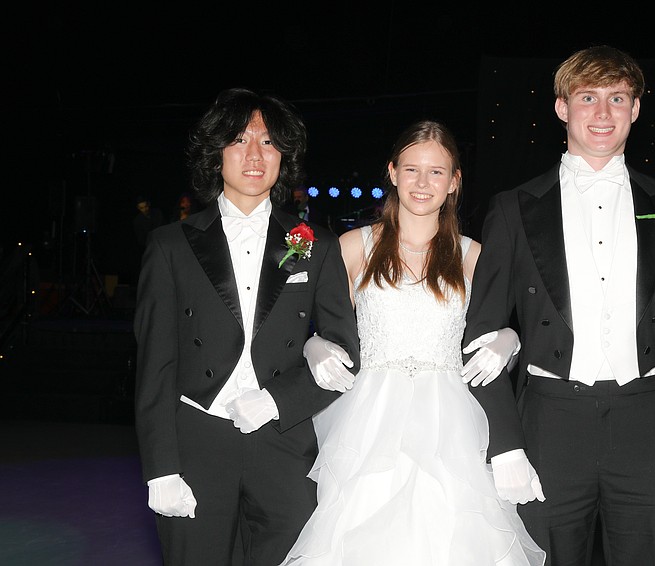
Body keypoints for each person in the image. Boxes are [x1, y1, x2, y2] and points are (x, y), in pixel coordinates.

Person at [462, 45, 655, 566]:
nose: (603, 113)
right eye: (587, 98)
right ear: (562, 108)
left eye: (617, 98)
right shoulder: (513, 208)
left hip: (649, 427)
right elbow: (480, 334)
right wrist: (504, 444)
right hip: (549, 426)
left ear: (635, 109)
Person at [281, 120, 546, 565]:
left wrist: (510, 338)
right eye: (412, 169)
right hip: (369, 417)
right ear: (392, 172)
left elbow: (498, 330)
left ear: (454, 181)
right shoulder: (353, 246)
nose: (423, 183)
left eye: (436, 172)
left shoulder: (473, 255)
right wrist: (313, 347)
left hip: (451, 418)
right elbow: (314, 325)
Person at [133, 87, 360, 566]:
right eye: (239, 140)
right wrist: (160, 467)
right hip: (196, 443)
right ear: (216, 153)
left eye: (269, 142)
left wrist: (278, 400)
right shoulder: (171, 244)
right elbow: (155, 365)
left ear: (284, 156)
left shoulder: (313, 243)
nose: (255, 154)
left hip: (283, 442)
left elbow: (347, 352)